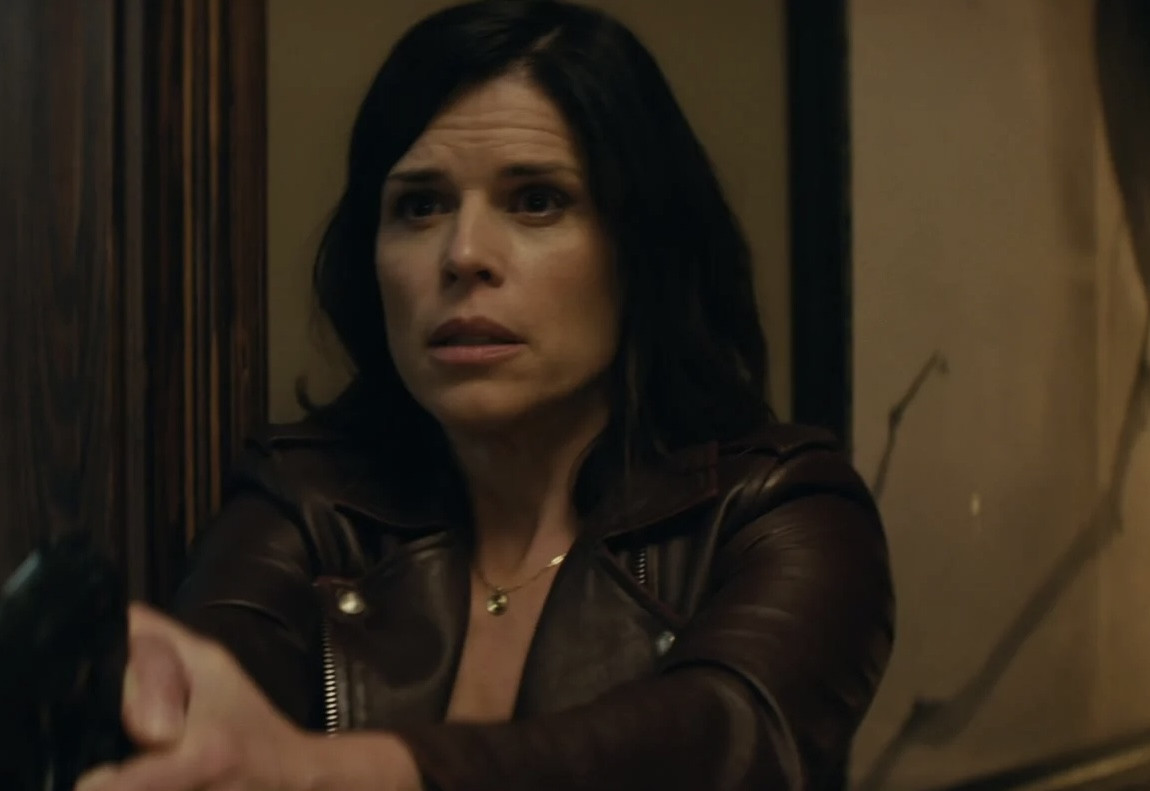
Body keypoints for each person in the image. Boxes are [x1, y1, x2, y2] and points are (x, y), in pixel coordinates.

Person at [76, 1, 895, 789]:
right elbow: (222, 706)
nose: (463, 253)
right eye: (420, 205)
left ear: (643, 249)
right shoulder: (309, 503)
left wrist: (347, 773)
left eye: (537, 200)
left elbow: (720, 738)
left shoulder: (781, 509)